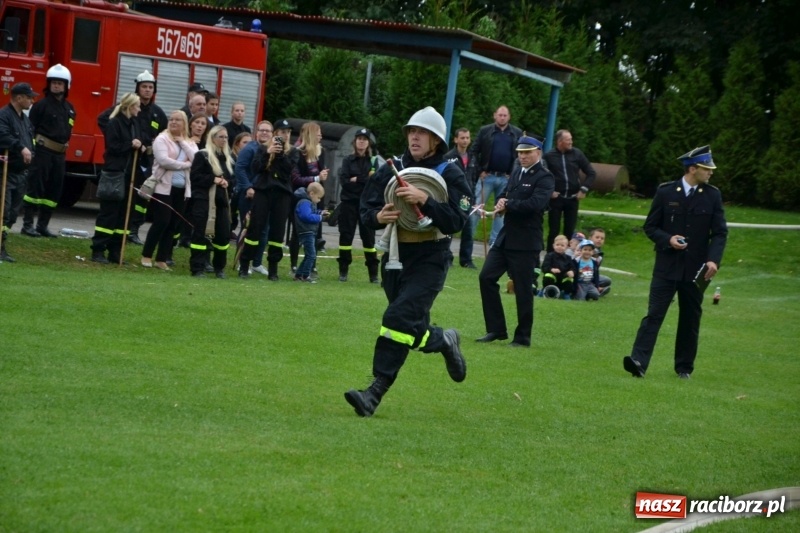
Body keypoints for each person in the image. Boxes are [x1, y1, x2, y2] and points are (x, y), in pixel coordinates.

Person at [343, 106, 470, 418]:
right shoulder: (391, 167)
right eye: (412, 131)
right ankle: (443, 340)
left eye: (422, 132)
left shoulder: (451, 174)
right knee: (409, 324)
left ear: (436, 140)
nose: (414, 136)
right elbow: (366, 208)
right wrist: (377, 216)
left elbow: (458, 219)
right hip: (396, 258)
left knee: (397, 318)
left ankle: (373, 392)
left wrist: (425, 199)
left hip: (431, 258)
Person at [623, 145, 728, 379]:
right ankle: (638, 361)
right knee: (654, 314)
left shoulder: (712, 195)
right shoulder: (666, 192)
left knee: (690, 318)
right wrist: (667, 239)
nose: (711, 172)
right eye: (706, 168)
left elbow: (720, 233)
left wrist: (713, 260)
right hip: (666, 266)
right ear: (692, 169)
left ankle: (684, 368)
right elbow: (650, 226)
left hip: (698, 269)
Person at [477, 134, 554, 348]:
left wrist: (509, 204)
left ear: (538, 152)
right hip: (506, 238)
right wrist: (501, 202)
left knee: (523, 289)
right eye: (520, 153)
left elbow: (536, 204)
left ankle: (522, 337)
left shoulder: (545, 177)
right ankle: (496, 329)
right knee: (486, 277)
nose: (523, 156)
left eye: (527, 152)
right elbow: (506, 193)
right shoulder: (516, 173)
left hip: (526, 242)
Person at [21, 64, 75, 239]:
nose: (56, 86)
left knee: (54, 190)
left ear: (67, 85)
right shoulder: (40, 106)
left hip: (60, 155)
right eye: (54, 83)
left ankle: (42, 226)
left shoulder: (70, 109)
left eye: (60, 83)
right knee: (35, 189)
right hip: (43, 152)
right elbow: (29, 129)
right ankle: (28, 225)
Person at [90, 93, 144, 264]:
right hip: (114, 173)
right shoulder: (115, 123)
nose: (139, 109)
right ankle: (98, 250)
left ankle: (116, 252)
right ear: (129, 106)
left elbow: (138, 141)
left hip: (129, 174)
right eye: (137, 106)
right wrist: (130, 145)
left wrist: (140, 145)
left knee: (123, 215)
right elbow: (113, 146)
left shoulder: (134, 123)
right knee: (108, 213)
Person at [141, 110, 198, 271]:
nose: (173, 122)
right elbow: (163, 161)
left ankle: (162, 258)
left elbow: (197, 159)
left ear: (184, 123)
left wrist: (183, 143)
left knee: (173, 225)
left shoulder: (189, 142)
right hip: (163, 187)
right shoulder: (161, 138)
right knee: (162, 221)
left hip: (182, 189)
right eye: (171, 119)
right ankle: (147, 254)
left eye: (178, 120)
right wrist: (186, 165)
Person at [238, 123, 294, 280]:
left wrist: (281, 155)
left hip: (282, 194)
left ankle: (273, 269)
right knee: (255, 228)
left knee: (277, 232)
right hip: (263, 192)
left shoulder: (292, 151)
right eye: (282, 132)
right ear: (275, 133)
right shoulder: (262, 148)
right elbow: (255, 168)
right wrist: (268, 153)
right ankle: (244, 265)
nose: (285, 135)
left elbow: (288, 171)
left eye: (288, 132)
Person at [470, 105, 523, 246]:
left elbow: (521, 155)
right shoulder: (485, 131)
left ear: (509, 117)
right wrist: (479, 170)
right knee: (477, 208)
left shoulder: (517, 133)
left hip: (506, 178)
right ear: (495, 115)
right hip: (486, 176)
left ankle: (495, 243)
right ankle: (468, 240)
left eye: (505, 115)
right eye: (500, 115)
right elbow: (474, 152)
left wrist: (513, 174)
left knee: (500, 211)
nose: (502, 117)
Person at [127, 70, 168, 246]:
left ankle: (134, 230)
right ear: (138, 88)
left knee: (143, 196)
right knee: (128, 195)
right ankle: (125, 228)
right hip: (131, 158)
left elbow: (166, 135)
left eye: (150, 87)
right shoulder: (129, 108)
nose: (147, 90)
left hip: (149, 162)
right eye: (144, 87)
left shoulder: (158, 113)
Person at [336, 127, 380, 283]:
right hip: (349, 204)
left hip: (366, 205)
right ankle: (343, 271)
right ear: (355, 142)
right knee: (345, 237)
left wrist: (357, 179)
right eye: (359, 139)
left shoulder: (373, 162)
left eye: (365, 139)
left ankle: (373, 274)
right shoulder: (347, 160)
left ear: (368, 143)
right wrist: (364, 179)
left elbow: (375, 183)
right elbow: (345, 183)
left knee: (369, 240)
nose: (362, 141)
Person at [188, 125, 232, 278]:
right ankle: (197, 268)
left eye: (226, 137)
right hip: (203, 200)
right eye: (221, 137)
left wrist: (227, 182)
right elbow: (195, 177)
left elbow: (232, 178)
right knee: (200, 234)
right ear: (212, 138)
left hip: (222, 203)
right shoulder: (202, 155)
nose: (224, 140)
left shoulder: (227, 157)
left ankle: (219, 268)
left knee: (223, 235)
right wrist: (213, 179)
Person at [543, 129, 597, 252]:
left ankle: (567, 258)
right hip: (556, 198)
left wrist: (583, 189)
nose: (571, 142)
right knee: (554, 230)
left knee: (569, 230)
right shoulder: (549, 156)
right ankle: (550, 257)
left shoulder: (577, 154)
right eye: (568, 140)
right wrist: (549, 191)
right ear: (560, 141)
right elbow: (543, 176)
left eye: (571, 139)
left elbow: (591, 173)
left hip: (573, 198)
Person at [0, 82, 36, 262]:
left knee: (13, 213)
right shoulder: (4, 116)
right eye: (29, 97)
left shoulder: (25, 119)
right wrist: (20, 148)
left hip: (22, 174)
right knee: (2, 211)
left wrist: (31, 152)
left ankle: (2, 244)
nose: (32, 100)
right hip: (6, 172)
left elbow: (31, 139)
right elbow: (3, 135)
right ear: (18, 97)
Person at [234, 121, 274, 275]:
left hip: (265, 196)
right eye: (261, 130)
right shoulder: (249, 149)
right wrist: (247, 187)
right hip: (249, 196)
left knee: (264, 231)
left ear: (272, 133)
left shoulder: (272, 150)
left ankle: (257, 263)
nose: (264, 133)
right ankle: (241, 262)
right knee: (247, 229)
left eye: (268, 131)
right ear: (256, 133)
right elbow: (239, 168)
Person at [289, 121, 328, 273]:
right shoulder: (297, 152)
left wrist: (322, 176)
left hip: (317, 196)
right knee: (298, 231)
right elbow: (296, 179)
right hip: (301, 196)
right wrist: (317, 178)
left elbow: (320, 174)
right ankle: (293, 263)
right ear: (311, 134)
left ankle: (311, 263)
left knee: (315, 229)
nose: (321, 136)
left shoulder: (321, 151)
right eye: (318, 133)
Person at [444, 127, 478, 268]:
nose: (465, 140)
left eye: (467, 138)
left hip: (467, 199)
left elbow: (474, 176)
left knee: (468, 230)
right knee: (449, 229)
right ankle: (447, 257)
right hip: (453, 198)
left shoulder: (473, 156)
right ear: (456, 139)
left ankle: (466, 259)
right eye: (462, 138)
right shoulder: (448, 157)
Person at [293, 182, 328, 283]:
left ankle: (299, 274)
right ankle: (305, 275)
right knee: (311, 255)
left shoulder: (308, 203)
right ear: (312, 194)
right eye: (319, 197)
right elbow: (306, 216)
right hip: (306, 232)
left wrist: (320, 212)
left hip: (309, 232)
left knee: (309, 255)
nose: (319, 200)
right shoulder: (304, 202)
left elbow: (310, 212)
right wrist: (320, 217)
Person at [229, 131, 252, 235]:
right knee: (231, 212)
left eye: (250, 143)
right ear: (237, 144)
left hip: (242, 190)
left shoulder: (251, 157)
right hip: (233, 190)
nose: (248, 145)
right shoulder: (231, 158)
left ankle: (231, 229)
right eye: (245, 142)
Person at [540, 234, 576, 299]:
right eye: (557, 245)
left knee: (569, 280)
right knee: (548, 276)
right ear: (553, 245)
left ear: (567, 247)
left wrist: (572, 271)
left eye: (562, 245)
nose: (559, 247)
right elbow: (544, 267)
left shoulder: (568, 258)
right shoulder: (549, 256)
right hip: (553, 278)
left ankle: (566, 294)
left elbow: (572, 267)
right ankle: (544, 291)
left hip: (563, 278)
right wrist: (551, 269)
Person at [589, 227, 612, 296]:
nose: (599, 240)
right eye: (597, 237)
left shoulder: (600, 253)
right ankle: (596, 289)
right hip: (583, 274)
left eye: (602, 238)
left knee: (607, 280)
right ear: (590, 238)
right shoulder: (585, 249)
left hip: (593, 275)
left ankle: (595, 287)